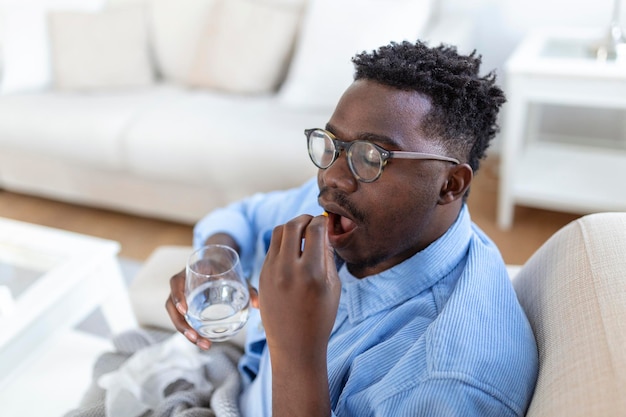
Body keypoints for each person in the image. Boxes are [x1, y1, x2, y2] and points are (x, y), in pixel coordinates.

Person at [166, 40, 538, 417]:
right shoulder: (353, 210)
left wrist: (296, 353)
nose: (332, 176)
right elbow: (244, 216)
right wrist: (215, 257)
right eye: (332, 144)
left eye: (371, 156)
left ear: (450, 184)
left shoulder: (446, 383)